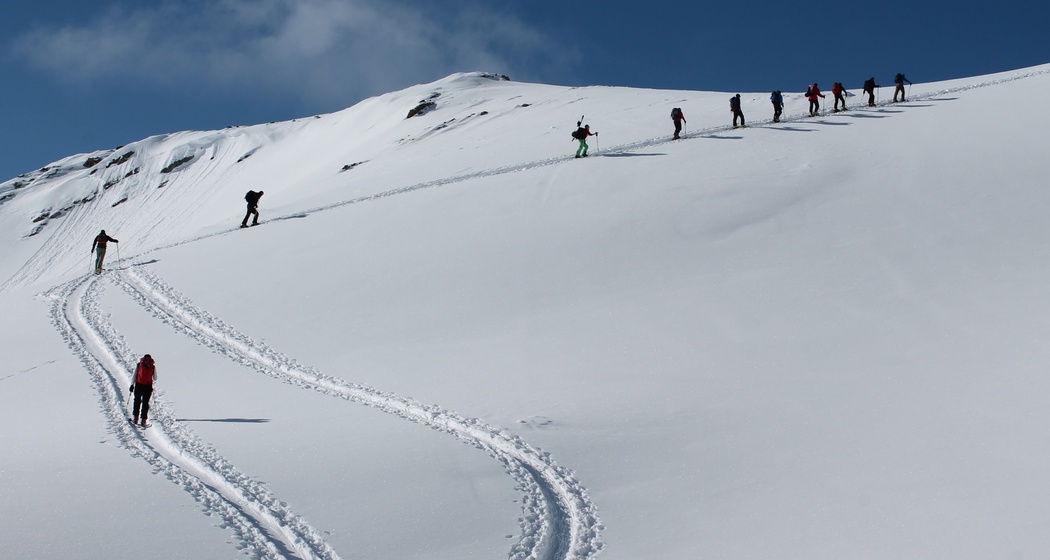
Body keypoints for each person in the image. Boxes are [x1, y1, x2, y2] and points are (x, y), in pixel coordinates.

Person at [130, 354, 157, 427]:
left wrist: (132, 384)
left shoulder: (139, 365)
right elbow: (155, 378)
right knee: (145, 403)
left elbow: (134, 375)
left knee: (137, 401)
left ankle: (135, 418)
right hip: (148, 386)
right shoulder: (152, 366)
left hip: (139, 385)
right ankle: (143, 420)